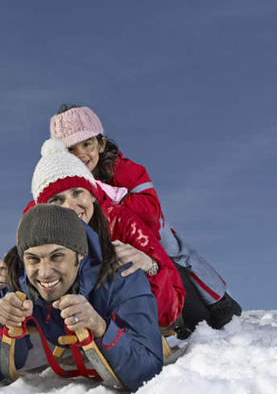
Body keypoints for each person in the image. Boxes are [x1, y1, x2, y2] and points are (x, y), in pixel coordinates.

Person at [49, 104, 242, 335]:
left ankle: (219, 302)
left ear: (100, 143)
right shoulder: (64, 183)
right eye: (71, 149)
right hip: (111, 238)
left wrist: (109, 195)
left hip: (148, 230)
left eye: (87, 144)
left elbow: (151, 211)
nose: (81, 154)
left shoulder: (125, 170)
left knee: (177, 254)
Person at [0, 138, 185, 329]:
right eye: (56, 200)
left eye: (77, 193)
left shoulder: (122, 222)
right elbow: (5, 295)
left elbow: (171, 307)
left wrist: (151, 268)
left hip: (127, 332)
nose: (69, 207)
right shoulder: (37, 231)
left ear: (93, 195)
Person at [0, 204, 163, 391]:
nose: (45, 272)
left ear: (80, 254)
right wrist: (3, 328)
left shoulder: (122, 275)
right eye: (33, 259)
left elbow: (148, 372)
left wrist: (100, 327)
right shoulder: (12, 278)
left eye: (57, 256)